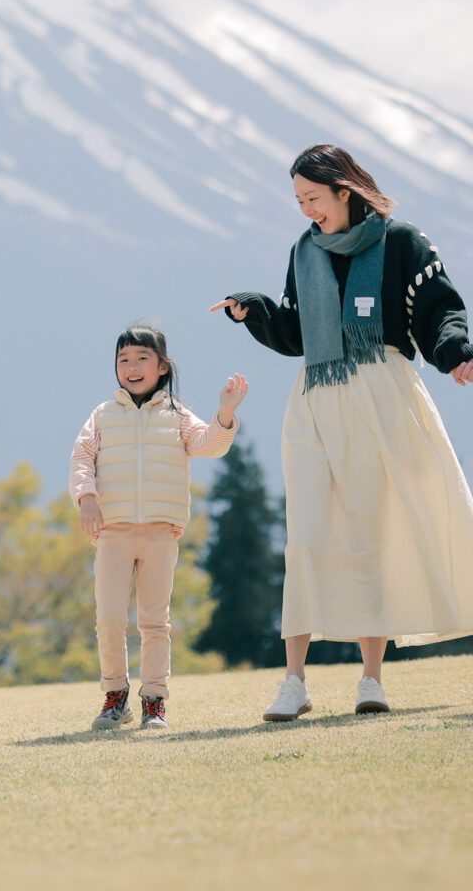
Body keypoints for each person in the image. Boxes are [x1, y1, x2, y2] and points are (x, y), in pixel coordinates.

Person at [212, 144, 473, 721]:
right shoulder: (303, 251)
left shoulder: (402, 242)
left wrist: (457, 352)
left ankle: (371, 680)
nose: (307, 210)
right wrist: (252, 308)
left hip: (380, 396)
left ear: (345, 192)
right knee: (305, 535)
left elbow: (439, 307)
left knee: (368, 535)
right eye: (299, 201)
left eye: (313, 198)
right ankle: (294, 682)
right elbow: (295, 331)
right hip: (314, 398)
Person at [70, 324, 246, 731]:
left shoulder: (177, 416)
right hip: (112, 532)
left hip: (160, 533)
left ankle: (154, 701)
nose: (131, 367)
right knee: (110, 618)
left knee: (154, 621)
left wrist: (225, 414)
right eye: (123, 360)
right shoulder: (103, 415)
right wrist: (87, 499)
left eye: (141, 359)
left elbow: (208, 444)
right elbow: (81, 458)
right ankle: (116, 697)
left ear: (163, 367)